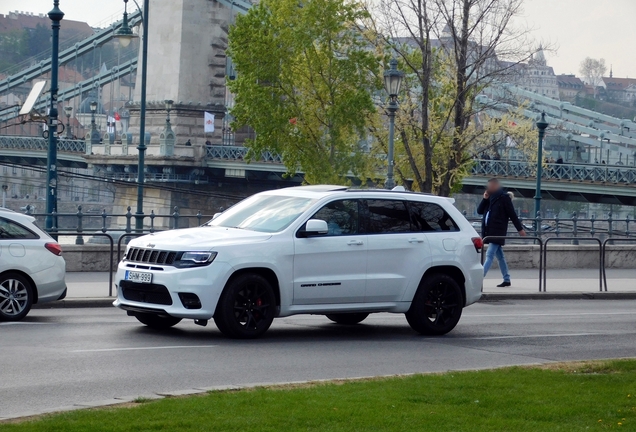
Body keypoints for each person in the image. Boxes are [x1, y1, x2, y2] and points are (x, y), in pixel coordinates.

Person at [477, 178, 526, 287]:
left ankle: (479, 279)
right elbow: (479, 211)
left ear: (496, 186)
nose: (489, 188)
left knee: (489, 255)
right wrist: (484, 199)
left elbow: (512, 215)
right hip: (488, 231)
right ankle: (507, 279)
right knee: (500, 256)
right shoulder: (489, 197)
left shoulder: (504, 198)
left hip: (498, 231)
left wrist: (520, 229)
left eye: (491, 186)